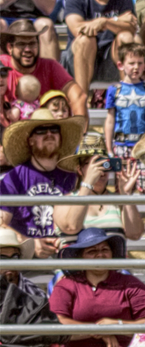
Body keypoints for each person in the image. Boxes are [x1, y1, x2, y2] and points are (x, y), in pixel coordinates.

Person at [0, 107, 87, 252]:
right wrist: (30, 244)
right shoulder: (14, 177)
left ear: (60, 137)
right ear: (31, 140)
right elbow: (1, 223)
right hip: (26, 260)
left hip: (66, 256)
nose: (49, 134)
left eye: (54, 130)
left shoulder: (74, 178)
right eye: (41, 131)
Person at [59, 0, 134, 91]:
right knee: (86, 39)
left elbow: (131, 27)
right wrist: (112, 21)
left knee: (126, 37)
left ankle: (128, 96)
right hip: (78, 60)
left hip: (110, 61)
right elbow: (77, 29)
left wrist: (104, 22)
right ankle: (82, 102)